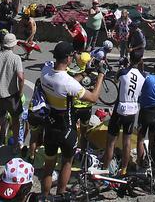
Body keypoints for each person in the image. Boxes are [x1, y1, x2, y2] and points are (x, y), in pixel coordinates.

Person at [39, 41, 105, 198]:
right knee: (67, 163)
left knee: (48, 167)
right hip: (66, 127)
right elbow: (94, 97)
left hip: (50, 124)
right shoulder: (68, 83)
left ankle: (44, 197)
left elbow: (65, 81)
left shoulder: (46, 71)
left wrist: (83, 74)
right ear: (68, 59)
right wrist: (101, 76)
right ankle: (61, 194)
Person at [103, 57, 145, 174]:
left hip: (120, 108)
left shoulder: (123, 72)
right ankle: (124, 169)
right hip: (132, 110)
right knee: (126, 141)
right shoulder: (143, 76)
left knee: (111, 141)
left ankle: (105, 168)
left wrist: (122, 68)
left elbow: (116, 80)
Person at [0, 33, 26, 155]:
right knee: (15, 121)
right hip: (12, 95)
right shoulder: (16, 58)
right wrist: (20, 92)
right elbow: (20, 77)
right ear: (13, 45)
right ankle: (15, 146)